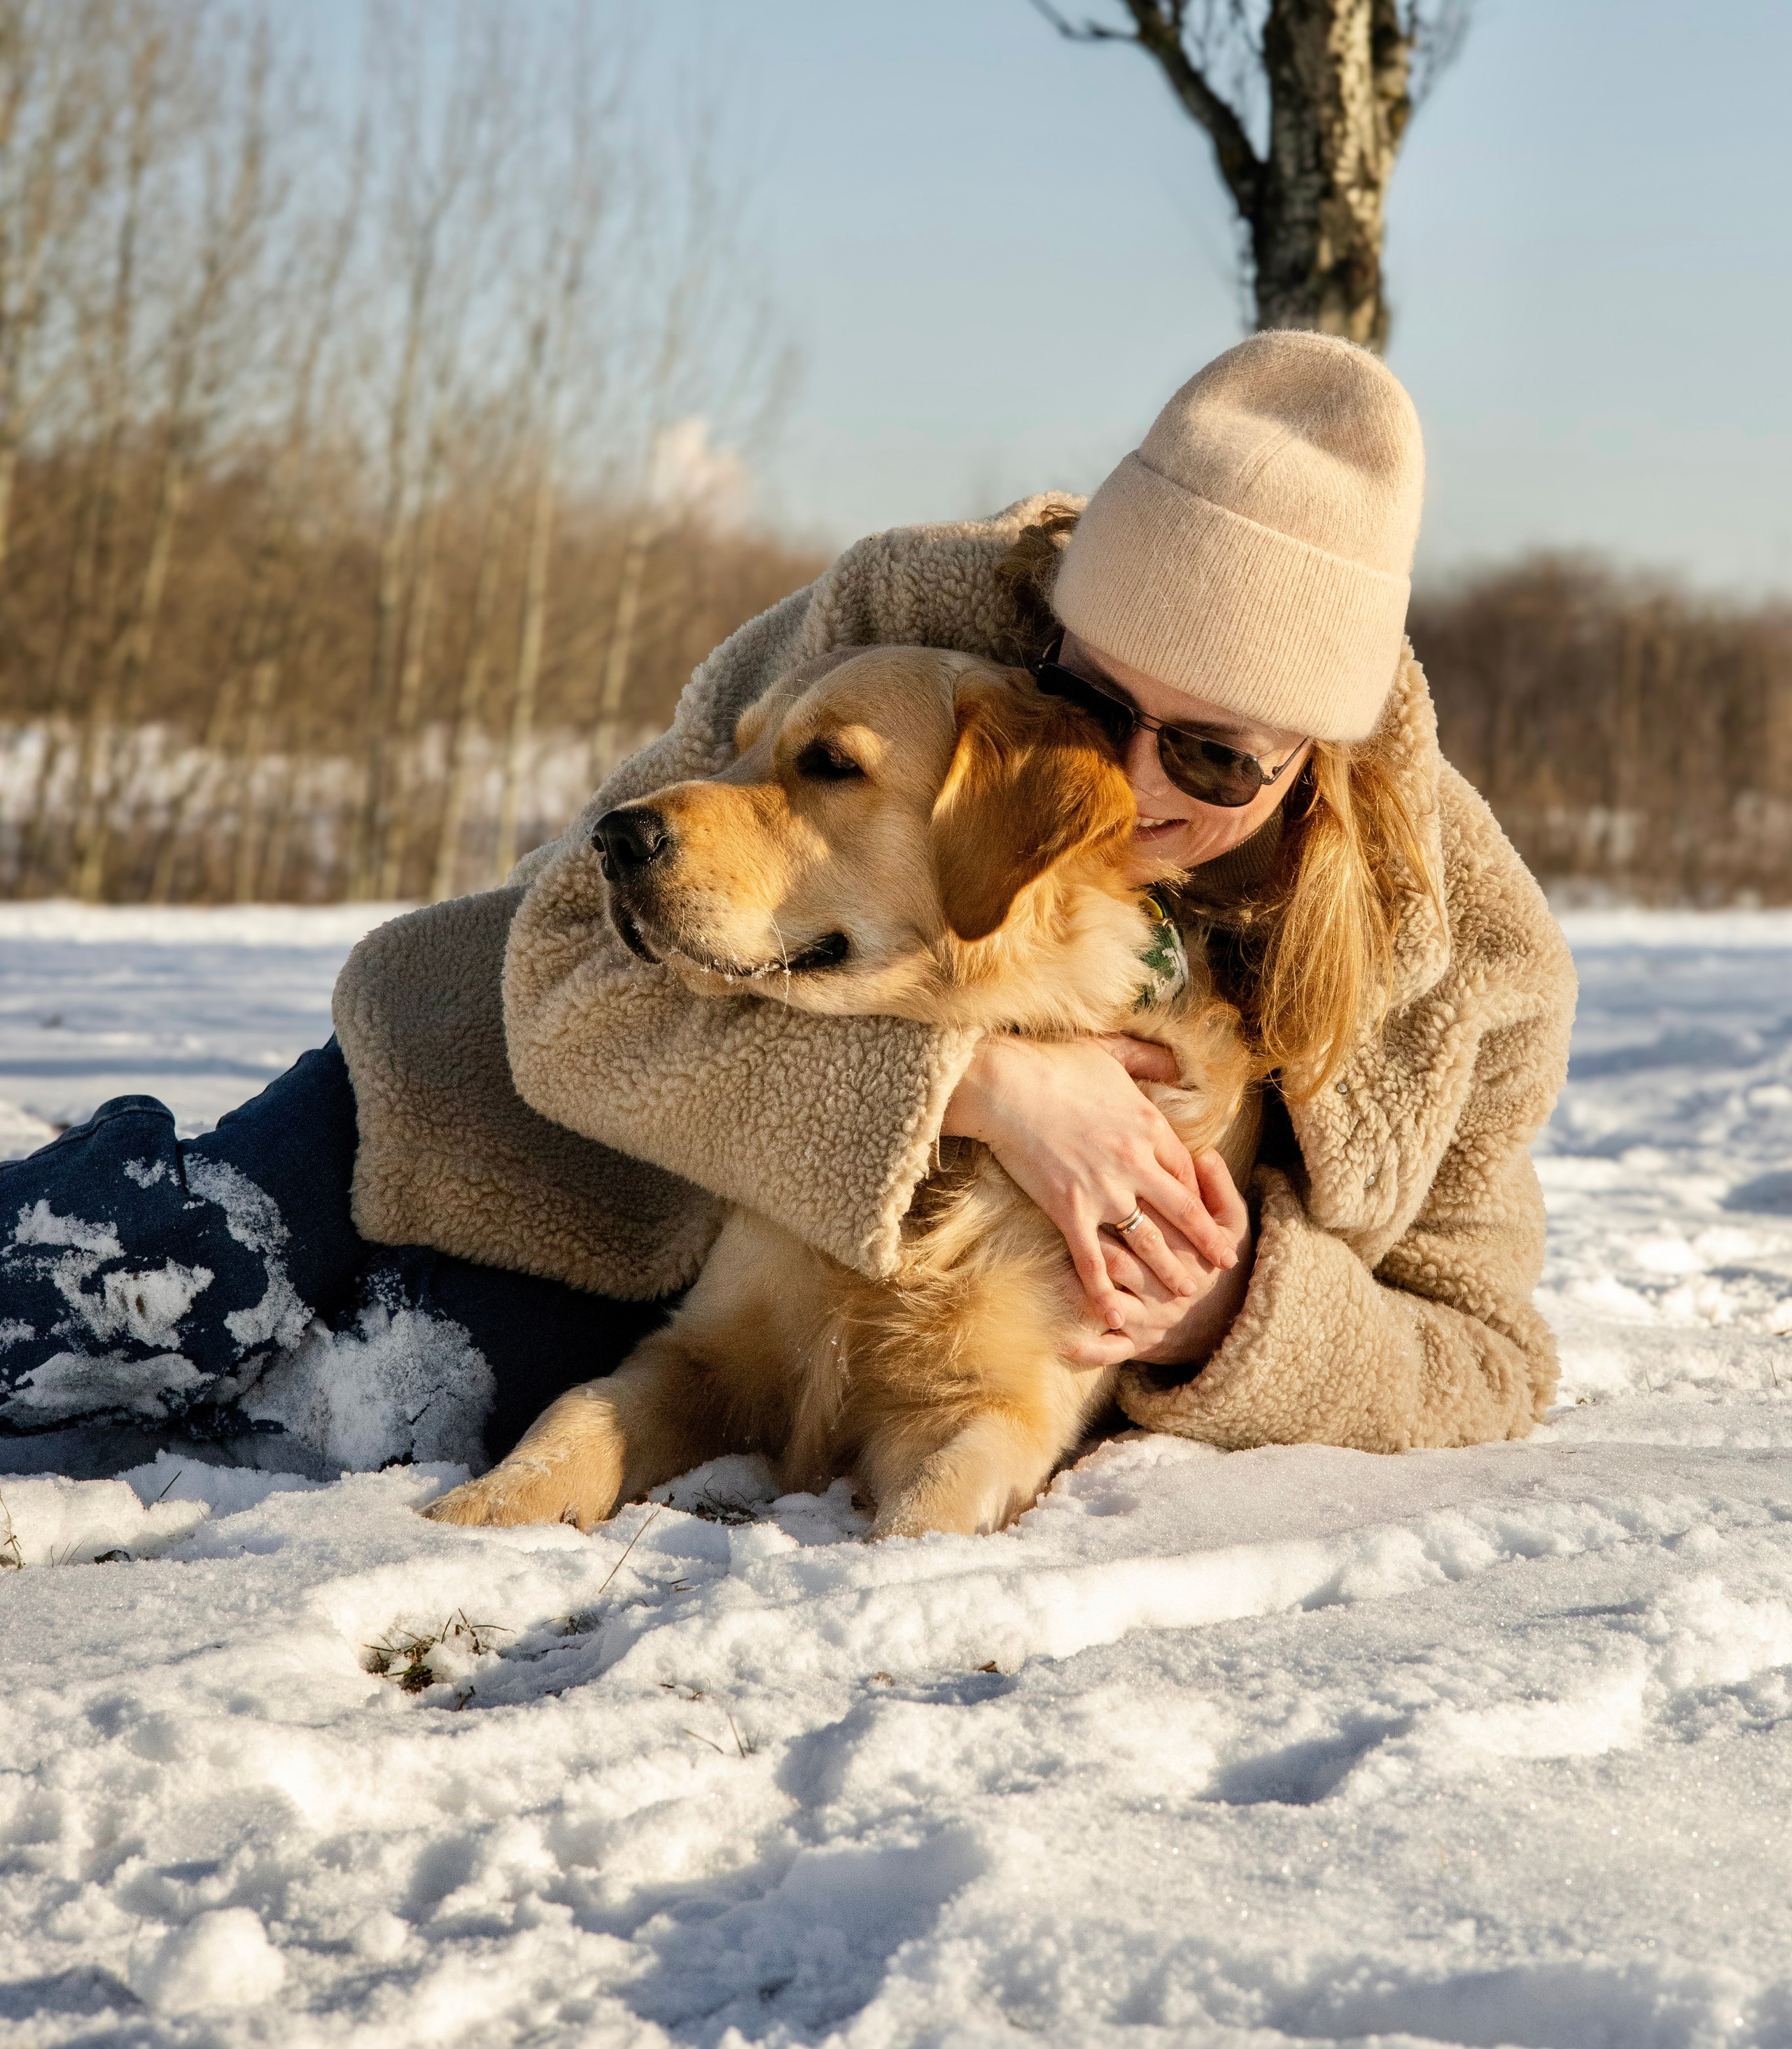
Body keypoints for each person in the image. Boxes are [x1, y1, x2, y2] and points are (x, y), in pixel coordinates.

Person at [1, 332, 1576, 1468]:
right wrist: (973, 1082)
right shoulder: (899, 621)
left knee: (208, 1447)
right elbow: (566, 965)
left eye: (1217, 755)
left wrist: (1224, 1313)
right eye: (1087, 701)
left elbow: (1485, 1354)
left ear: (1320, 761)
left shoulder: (1471, 962)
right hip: (480, 1118)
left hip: (638, 1309)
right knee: (138, 1281)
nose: (1130, 779)